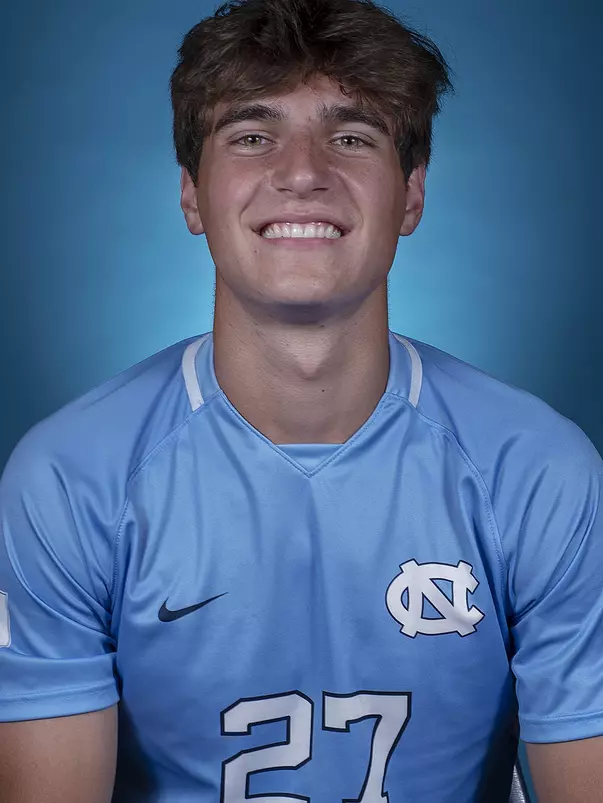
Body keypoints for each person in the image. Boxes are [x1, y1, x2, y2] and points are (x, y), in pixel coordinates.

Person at [0, 0, 602, 800]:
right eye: (252, 136)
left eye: (351, 137)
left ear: (411, 194)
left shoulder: (538, 471)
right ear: (191, 196)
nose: (302, 172)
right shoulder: (68, 479)